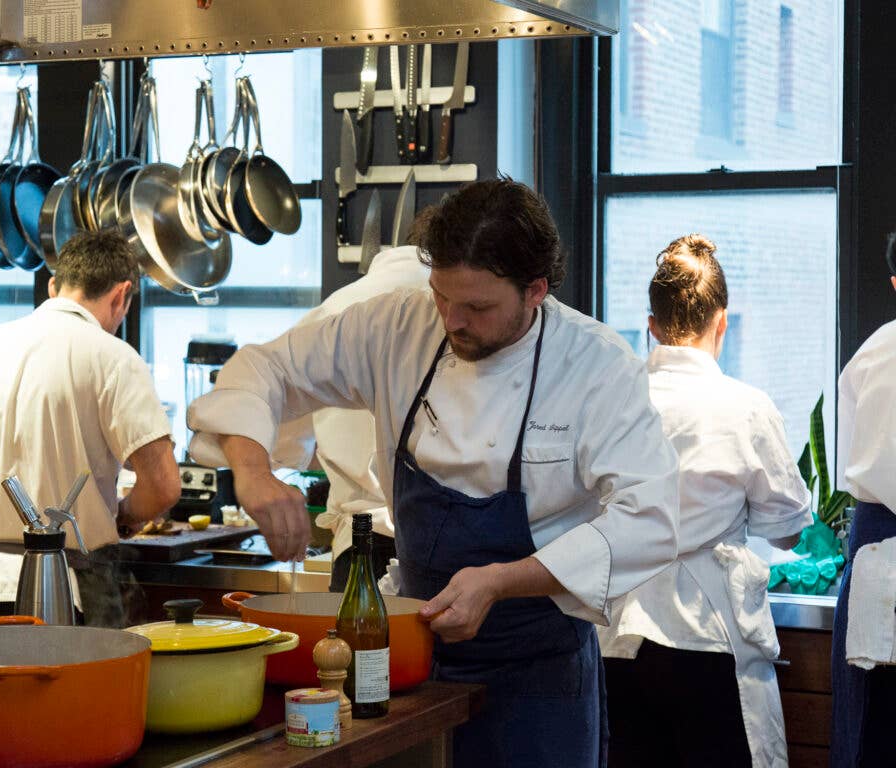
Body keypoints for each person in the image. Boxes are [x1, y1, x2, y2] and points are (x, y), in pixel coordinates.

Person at [188, 177, 680, 767]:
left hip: (538, 675)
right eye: (443, 297)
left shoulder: (597, 366)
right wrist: (254, 469)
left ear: (536, 292)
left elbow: (650, 519)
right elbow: (263, 370)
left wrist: (500, 581)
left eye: (477, 307)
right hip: (411, 665)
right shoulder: (395, 325)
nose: (452, 320)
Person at [596, 235, 811, 768]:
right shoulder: (745, 408)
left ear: (651, 325)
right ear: (722, 321)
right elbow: (787, 528)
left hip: (615, 638)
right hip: (705, 637)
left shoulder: (609, 404)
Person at [0, 229, 180, 628]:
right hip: (67, 589)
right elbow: (164, 487)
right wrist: (123, 515)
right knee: (77, 693)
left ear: (53, 285)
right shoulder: (113, 358)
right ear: (121, 295)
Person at [274, 245, 429, 592]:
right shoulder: (458, 310)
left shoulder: (332, 310)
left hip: (361, 546)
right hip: (443, 546)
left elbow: (282, 438)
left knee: (358, 647)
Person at [829, 236, 896, 768]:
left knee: (871, 737)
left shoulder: (869, 355)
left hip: (875, 554)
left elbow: (850, 468)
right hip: (876, 549)